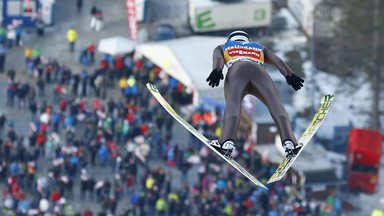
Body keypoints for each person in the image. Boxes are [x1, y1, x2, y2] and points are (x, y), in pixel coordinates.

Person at [206, 30, 304, 156]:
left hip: (237, 71)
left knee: (234, 104)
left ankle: (226, 142)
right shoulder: (259, 47)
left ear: (230, 40)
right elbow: (277, 60)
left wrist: (217, 70)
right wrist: (289, 75)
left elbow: (218, 58)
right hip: (259, 72)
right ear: (248, 40)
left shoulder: (223, 47)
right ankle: (290, 142)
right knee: (275, 104)